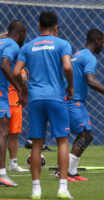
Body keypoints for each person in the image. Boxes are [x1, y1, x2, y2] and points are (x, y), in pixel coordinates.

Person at [13, 11, 74, 199]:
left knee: (37, 143)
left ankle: (36, 190)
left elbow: (16, 72)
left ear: (38, 27)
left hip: (36, 99)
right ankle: (63, 188)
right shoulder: (63, 44)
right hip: (56, 97)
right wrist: (70, 85)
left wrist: (23, 90)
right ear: (56, 27)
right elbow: (67, 67)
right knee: (62, 140)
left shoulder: (28, 46)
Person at [64, 28, 104, 182]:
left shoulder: (77, 54)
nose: (103, 46)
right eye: (103, 42)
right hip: (73, 101)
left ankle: (71, 172)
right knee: (85, 134)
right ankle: (66, 172)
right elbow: (90, 80)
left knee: (85, 135)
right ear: (97, 41)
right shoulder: (89, 57)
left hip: (72, 100)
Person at [0, 20, 26, 187]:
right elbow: (5, 65)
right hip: (1, 93)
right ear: (21, 33)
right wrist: (19, 89)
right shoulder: (13, 45)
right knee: (3, 132)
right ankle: (2, 174)